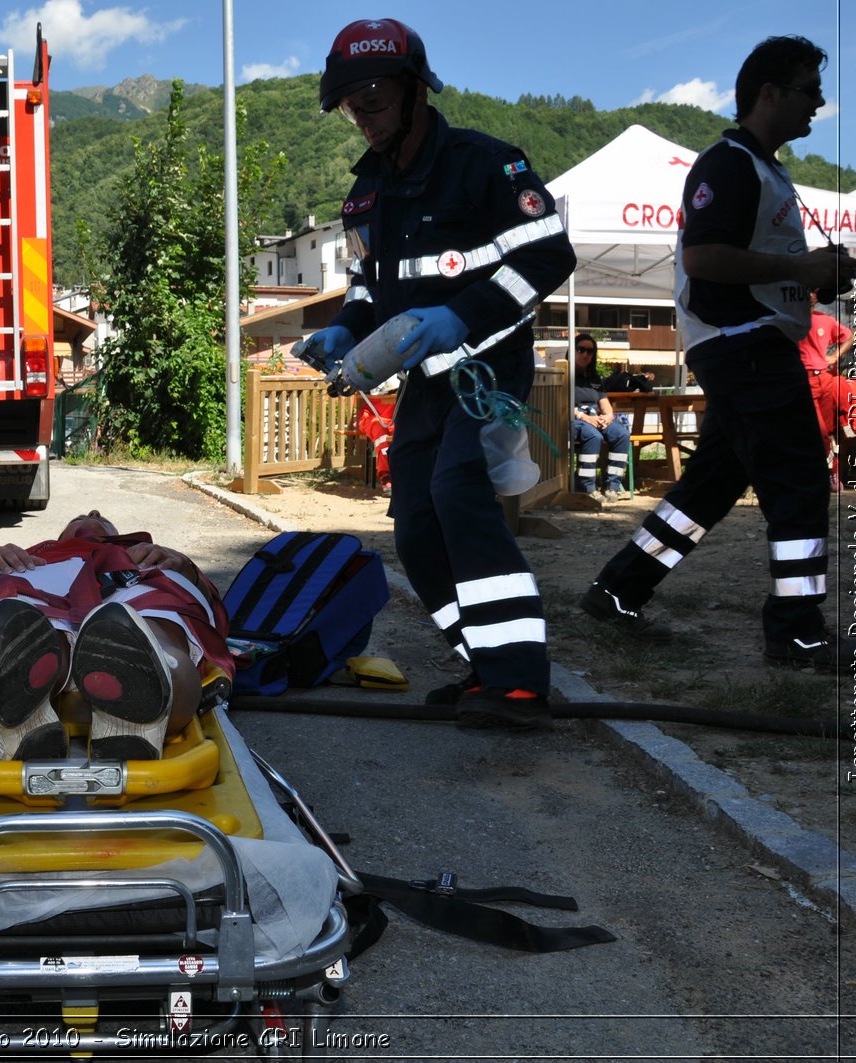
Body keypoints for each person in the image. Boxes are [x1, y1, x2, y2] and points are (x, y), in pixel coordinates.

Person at [298, 18, 576, 730]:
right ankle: (483, 660)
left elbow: (548, 258)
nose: (364, 119)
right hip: (427, 381)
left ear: (418, 92)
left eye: (377, 102)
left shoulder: (485, 165)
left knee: (458, 492)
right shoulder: (365, 196)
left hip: (489, 365)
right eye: (353, 108)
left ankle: (519, 682)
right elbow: (367, 289)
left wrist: (467, 315)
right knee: (416, 526)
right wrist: (344, 330)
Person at [580, 36, 856, 671]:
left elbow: (748, 262)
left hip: (745, 341)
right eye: (808, 90)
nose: (818, 103)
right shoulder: (730, 164)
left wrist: (814, 274)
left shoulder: (762, 169)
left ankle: (617, 590)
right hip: (745, 342)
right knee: (799, 480)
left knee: (712, 484)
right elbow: (702, 257)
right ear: (769, 94)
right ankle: (796, 632)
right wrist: (802, 264)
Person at [0, 511, 232, 761]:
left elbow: (209, 608)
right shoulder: (27, 558)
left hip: (129, 586)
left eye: (101, 516)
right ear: (60, 537)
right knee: (21, 622)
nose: (93, 514)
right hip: (40, 590)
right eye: (79, 516)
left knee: (149, 624)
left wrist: (186, 570)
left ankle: (145, 693)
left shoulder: (149, 557)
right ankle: (22, 703)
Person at [798, 292, 855, 483]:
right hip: (803, 379)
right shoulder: (790, 322)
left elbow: (849, 336)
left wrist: (835, 356)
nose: (809, 295)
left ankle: (831, 473)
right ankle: (823, 472)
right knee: (819, 430)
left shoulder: (826, 320)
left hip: (824, 378)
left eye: (813, 290)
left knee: (829, 429)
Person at [571, 334, 632, 501]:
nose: (585, 354)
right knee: (593, 436)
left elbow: (606, 406)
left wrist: (608, 417)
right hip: (574, 418)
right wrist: (584, 417)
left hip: (594, 417)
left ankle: (612, 486)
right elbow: (562, 405)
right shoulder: (565, 374)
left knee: (622, 434)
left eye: (590, 351)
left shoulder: (595, 378)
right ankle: (586, 486)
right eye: (581, 349)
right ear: (573, 350)